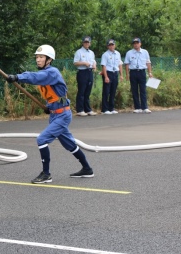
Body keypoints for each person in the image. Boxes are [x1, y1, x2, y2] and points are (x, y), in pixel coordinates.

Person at [6, 44, 94, 184]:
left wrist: (17, 77)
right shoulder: (46, 74)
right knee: (69, 144)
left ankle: (46, 174)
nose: (38, 59)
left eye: (41, 57)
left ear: (49, 59)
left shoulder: (51, 72)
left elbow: (34, 77)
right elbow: (54, 95)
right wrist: (49, 106)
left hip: (62, 115)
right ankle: (87, 169)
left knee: (41, 139)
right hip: (55, 114)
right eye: (37, 57)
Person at [124, 37, 153, 113]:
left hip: (142, 72)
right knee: (134, 90)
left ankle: (145, 107)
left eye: (137, 43)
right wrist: (127, 74)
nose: (136, 45)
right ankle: (137, 107)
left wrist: (150, 72)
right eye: (134, 43)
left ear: (140, 44)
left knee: (143, 89)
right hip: (133, 72)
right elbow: (127, 64)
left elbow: (148, 63)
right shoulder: (129, 53)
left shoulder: (145, 52)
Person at [73, 36, 97, 116]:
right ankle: (80, 110)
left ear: (90, 43)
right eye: (85, 42)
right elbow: (75, 63)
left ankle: (87, 109)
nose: (86, 44)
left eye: (88, 42)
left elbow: (93, 61)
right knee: (81, 91)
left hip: (89, 72)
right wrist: (84, 63)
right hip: (82, 72)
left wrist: (94, 65)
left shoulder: (91, 52)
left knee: (88, 91)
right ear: (83, 43)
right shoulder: (79, 52)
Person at [100, 39, 123, 114]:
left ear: (114, 45)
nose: (111, 46)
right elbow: (104, 66)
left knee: (113, 91)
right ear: (107, 46)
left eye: (112, 45)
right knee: (106, 92)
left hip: (115, 73)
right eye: (110, 45)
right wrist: (106, 76)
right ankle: (104, 109)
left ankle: (111, 108)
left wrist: (121, 75)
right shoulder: (105, 55)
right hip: (108, 73)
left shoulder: (118, 54)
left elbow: (119, 64)